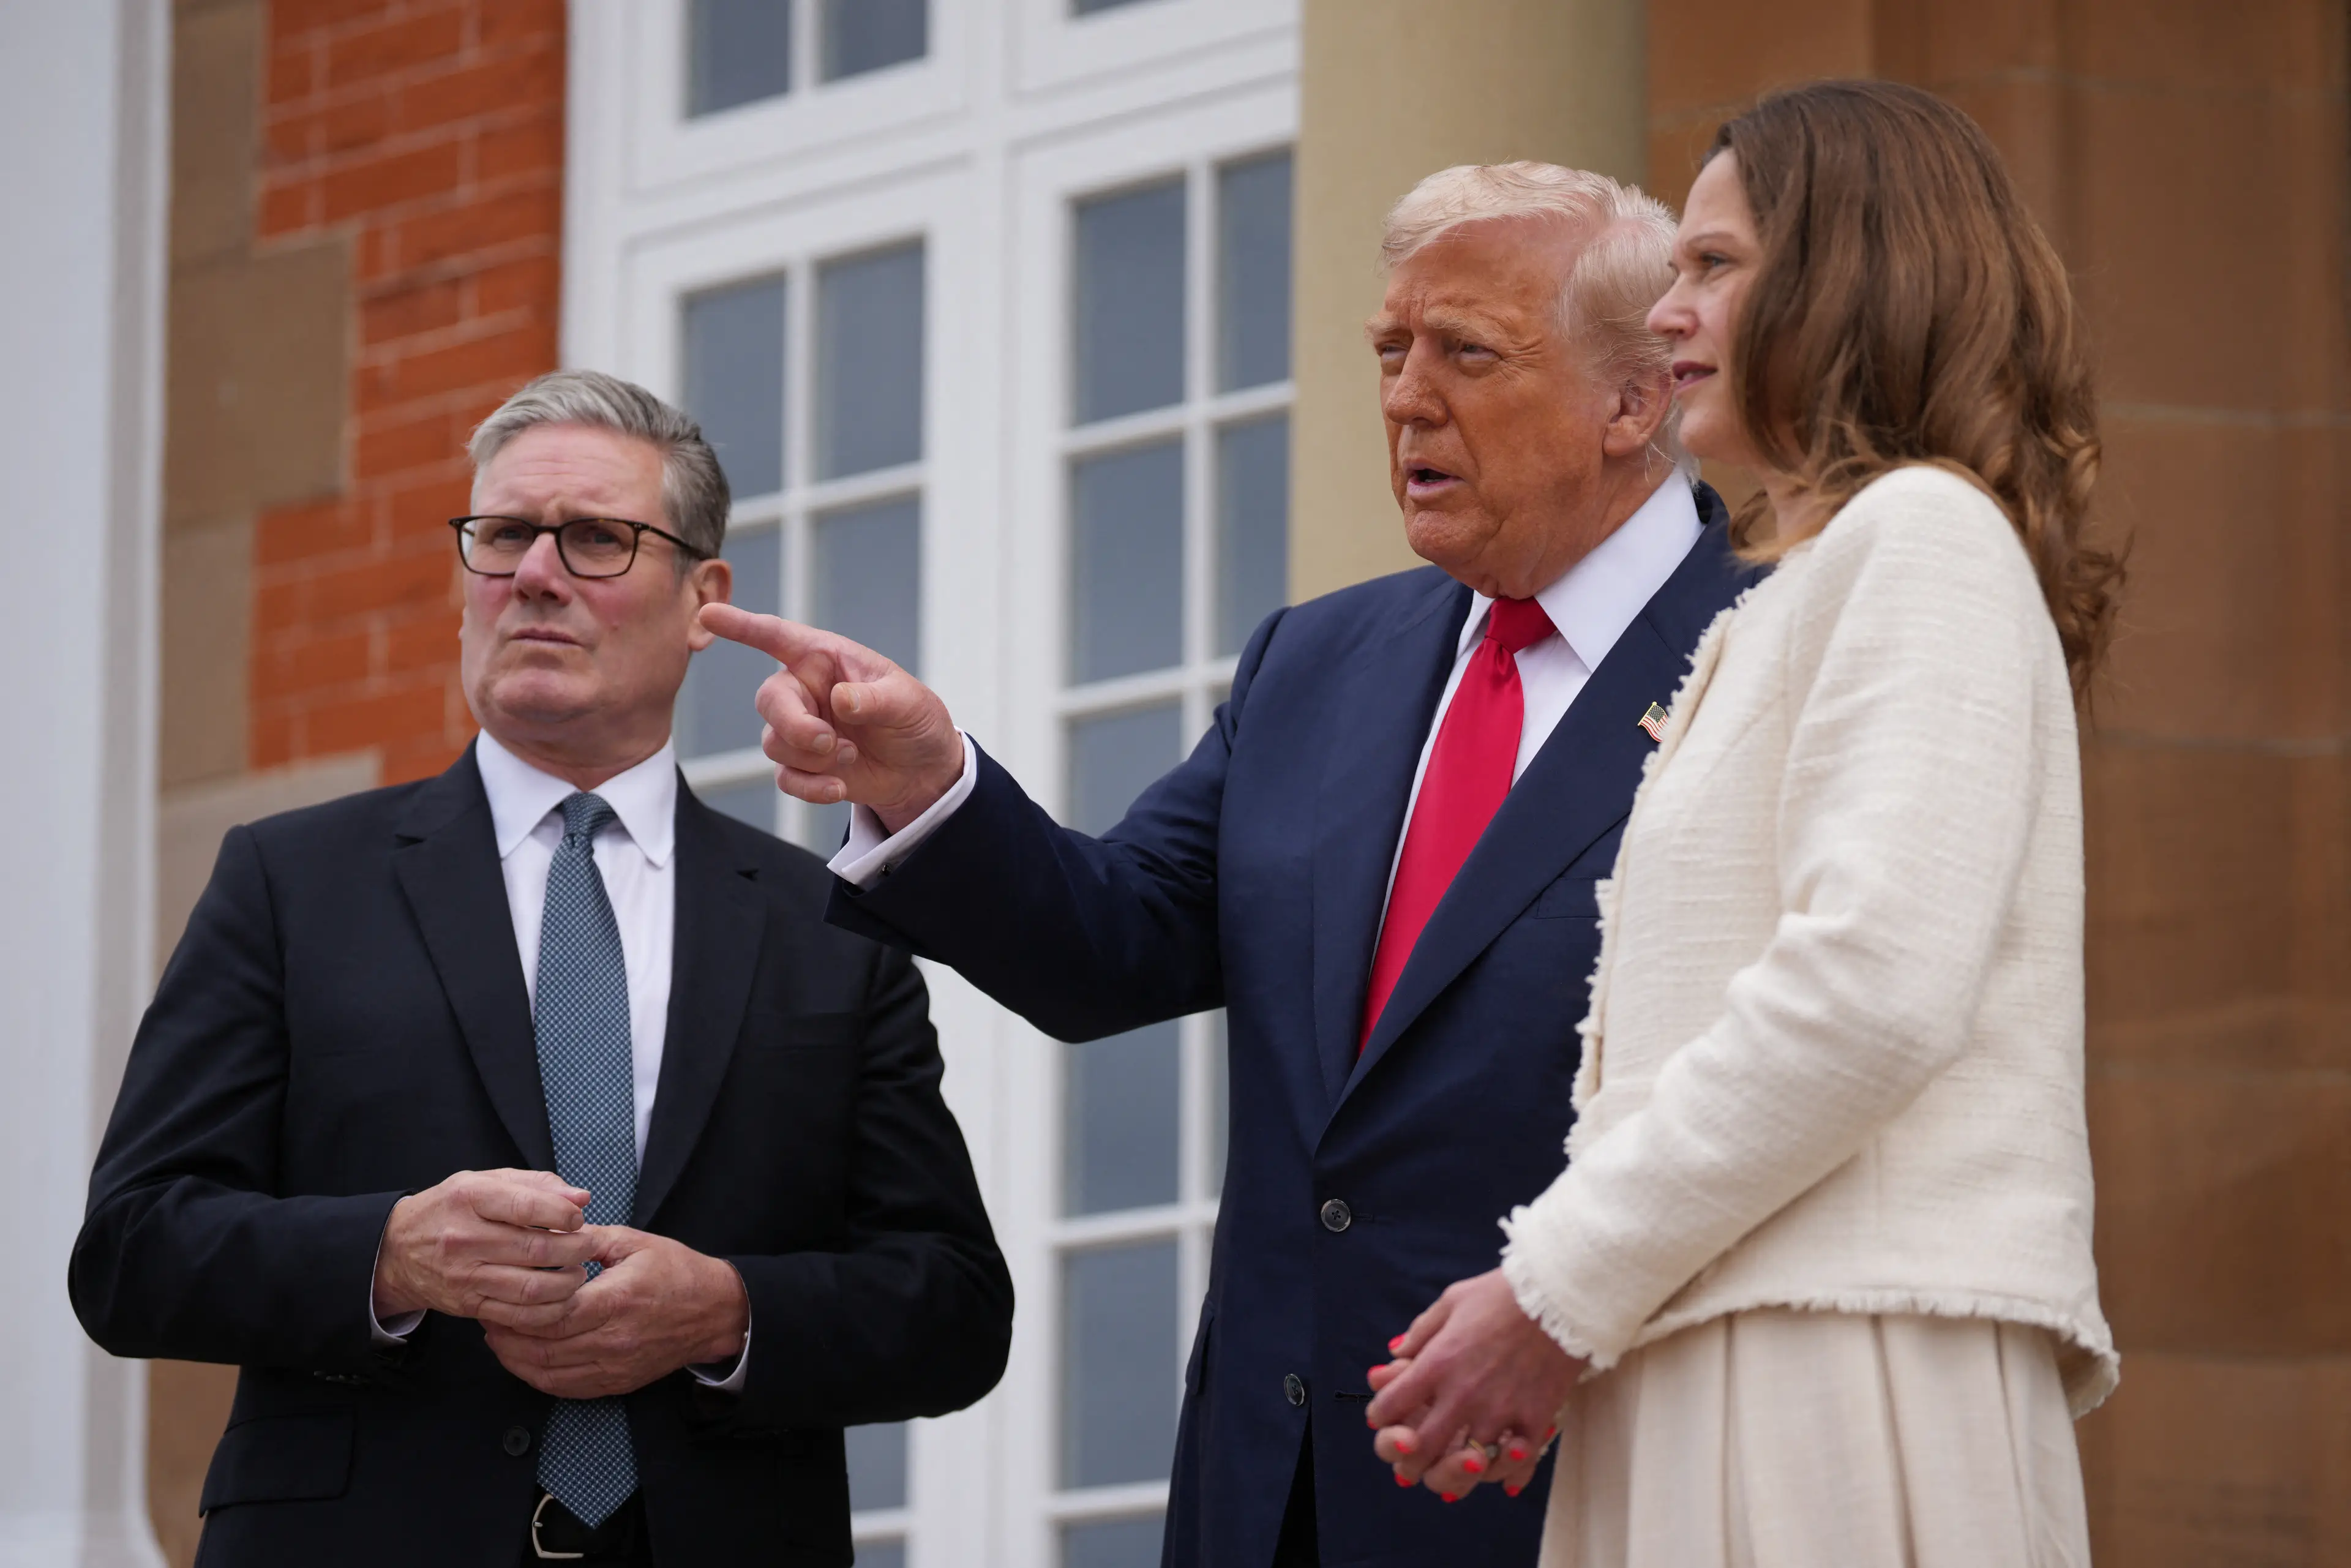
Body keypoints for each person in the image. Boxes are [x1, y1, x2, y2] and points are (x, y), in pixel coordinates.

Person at [702, 163, 1757, 1568]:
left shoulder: (1774, 648)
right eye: (1390, 351)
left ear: (1635, 401)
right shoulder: (1318, 662)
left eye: (1466, 353)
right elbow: (1109, 941)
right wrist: (925, 776)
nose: (1403, 398)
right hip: (1274, 1492)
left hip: (1592, 1481)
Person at [1360, 82, 2126, 1567]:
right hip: (1720, 1345)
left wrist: (1550, 1285)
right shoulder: (1817, 579)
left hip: (1834, 1368)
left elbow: (1871, 986)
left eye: (1713, 266)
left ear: (1853, 273)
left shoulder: (1922, 537)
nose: (1668, 315)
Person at [71, 370, 1013, 1567]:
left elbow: (953, 1306)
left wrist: (725, 1309)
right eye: (504, 533)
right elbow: (133, 1249)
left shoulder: (824, 923)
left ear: (701, 598)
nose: (533, 572)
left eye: (595, 539)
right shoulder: (291, 882)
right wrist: (392, 1254)